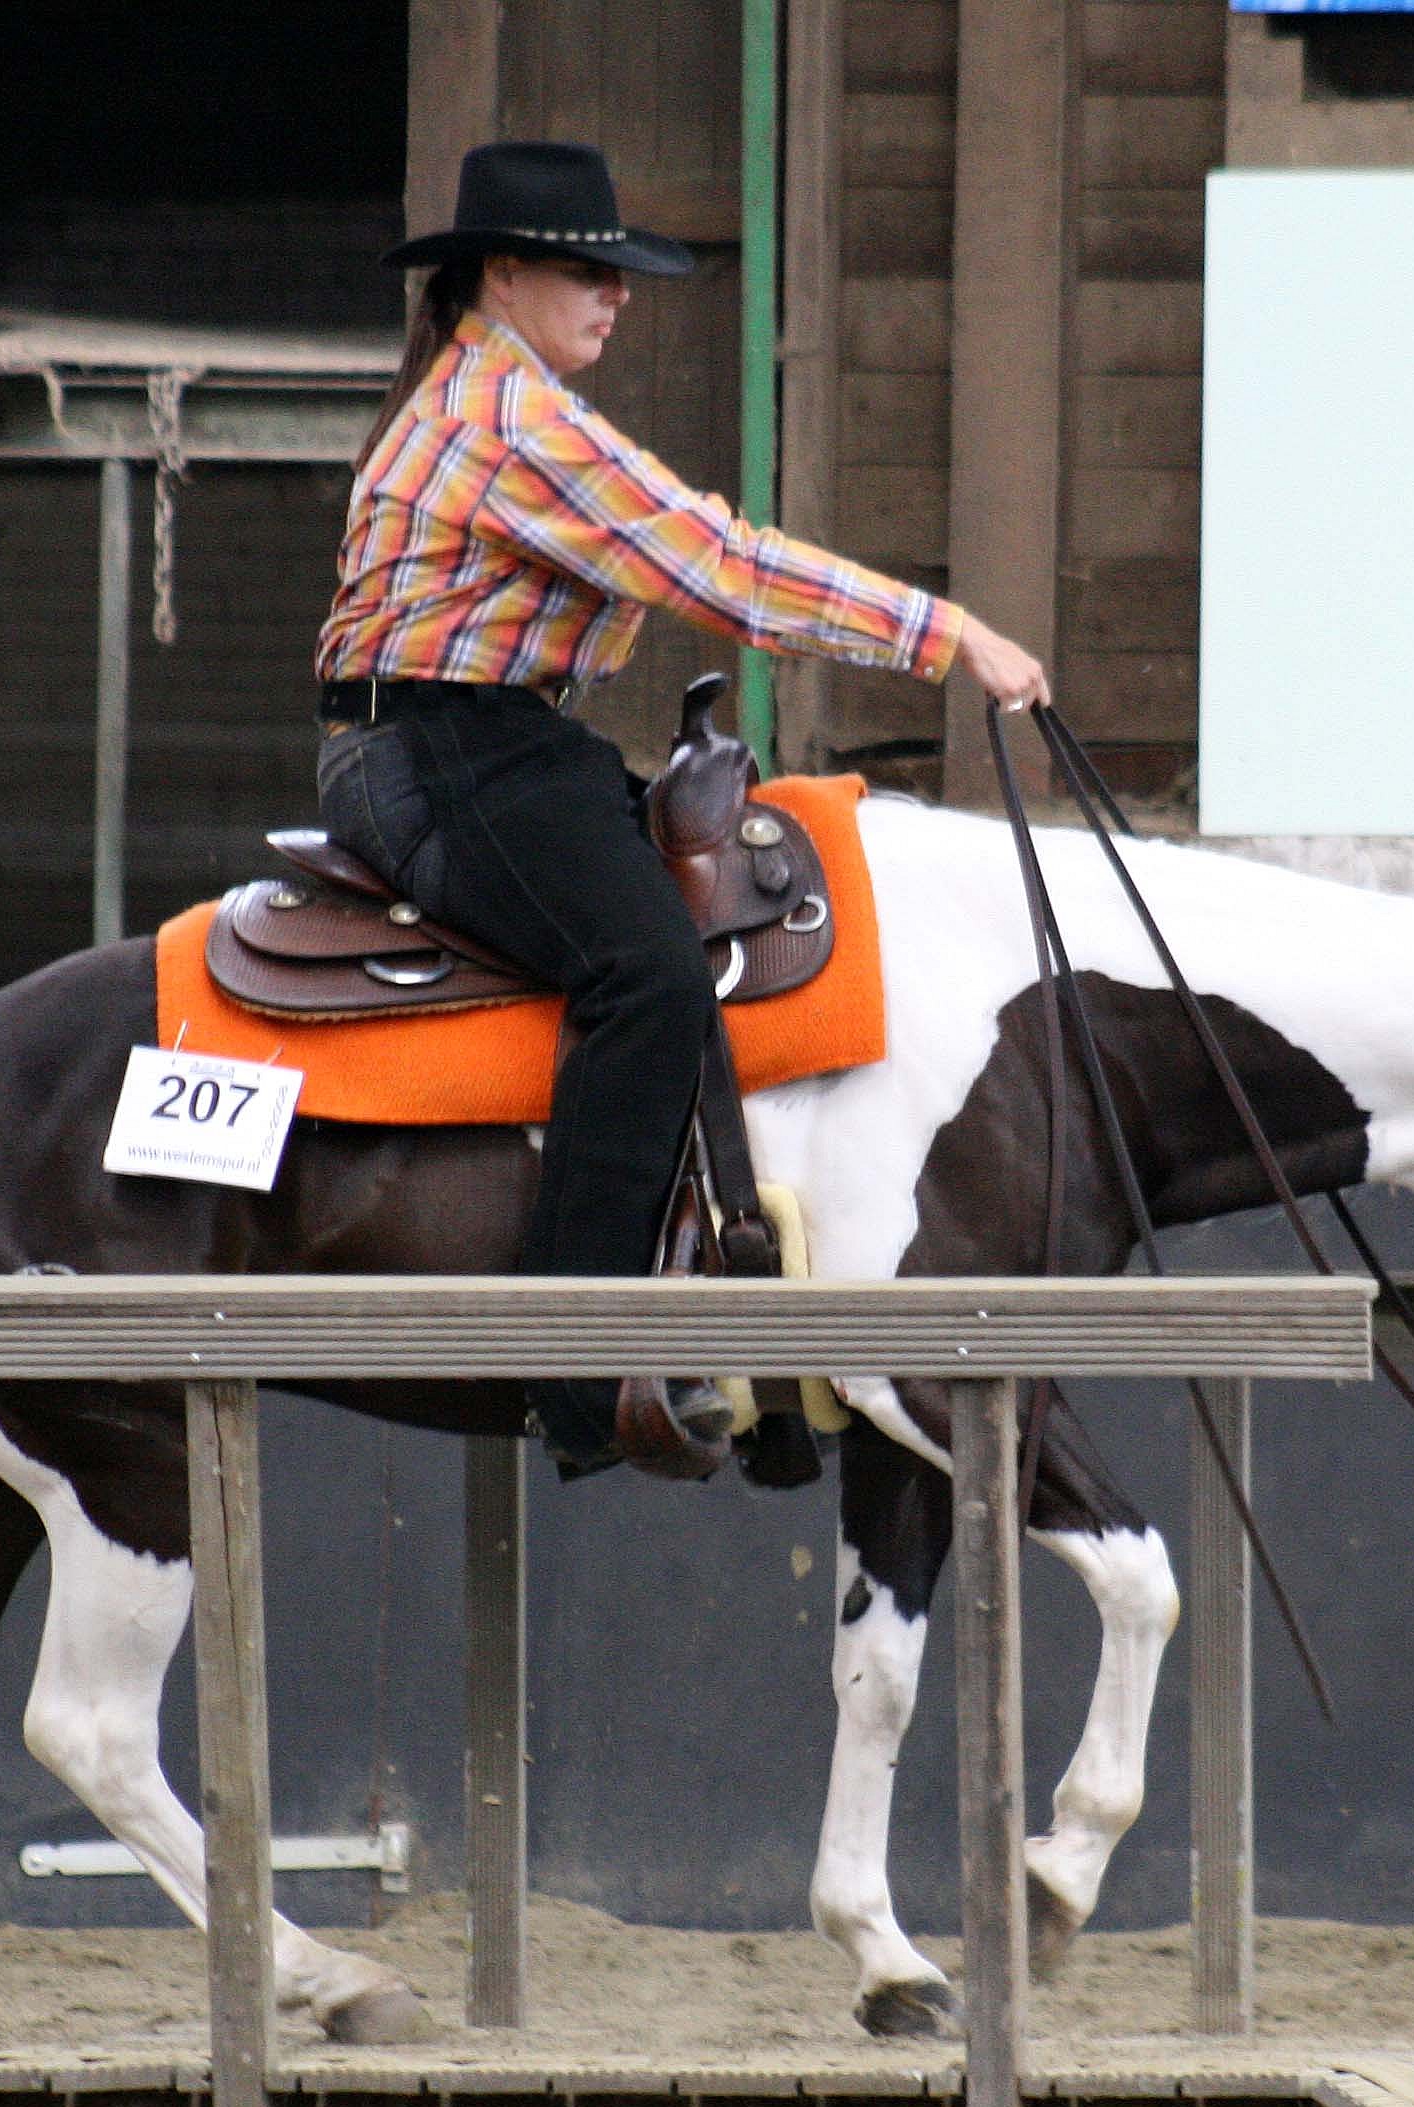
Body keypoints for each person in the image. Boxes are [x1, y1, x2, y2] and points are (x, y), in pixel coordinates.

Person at [315, 140, 1047, 1481]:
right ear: (504, 273)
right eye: (589, 271)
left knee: (693, 930)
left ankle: (738, 1303)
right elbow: (721, 566)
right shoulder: (511, 422)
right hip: (451, 751)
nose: (618, 295)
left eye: (620, 273)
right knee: (648, 976)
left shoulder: (490, 397)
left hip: (485, 739)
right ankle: (576, 1365)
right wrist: (947, 637)